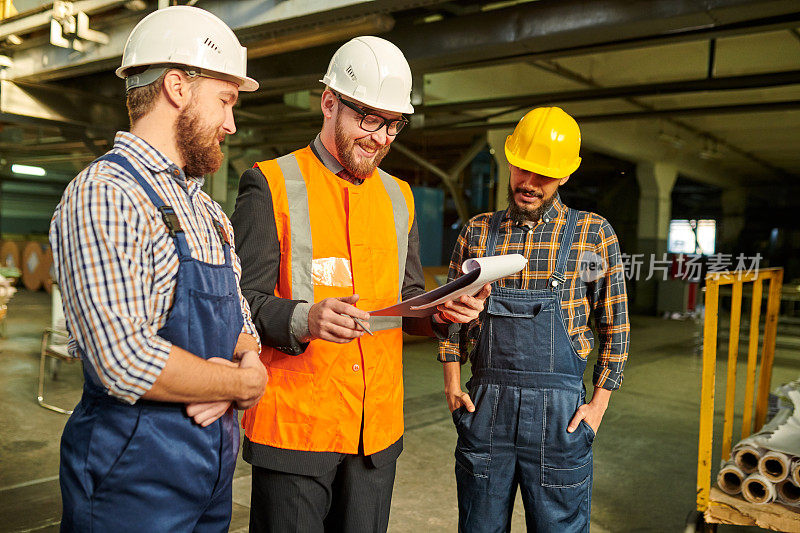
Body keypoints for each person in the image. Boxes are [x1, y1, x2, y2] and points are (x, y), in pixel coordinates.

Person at [231, 36, 489, 532]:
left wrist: (443, 311)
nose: (381, 137)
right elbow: (240, 303)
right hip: (296, 432)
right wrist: (304, 318)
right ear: (329, 103)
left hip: (375, 435)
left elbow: (409, 299)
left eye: (393, 123)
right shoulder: (270, 185)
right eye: (368, 118)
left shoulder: (401, 197)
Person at [50, 6, 266, 532]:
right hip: (131, 482)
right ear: (177, 87)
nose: (232, 123)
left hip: (209, 475)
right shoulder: (105, 194)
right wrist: (234, 386)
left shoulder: (208, 211)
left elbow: (241, 318)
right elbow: (123, 359)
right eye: (225, 101)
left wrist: (251, 366)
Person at [439, 107, 630, 532]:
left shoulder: (592, 236)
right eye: (522, 169)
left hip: (560, 416)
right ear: (510, 161)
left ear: (565, 176)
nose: (528, 184)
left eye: (543, 176)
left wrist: (598, 406)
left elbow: (614, 327)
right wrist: (453, 380)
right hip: (486, 408)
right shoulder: (478, 233)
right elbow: (450, 318)